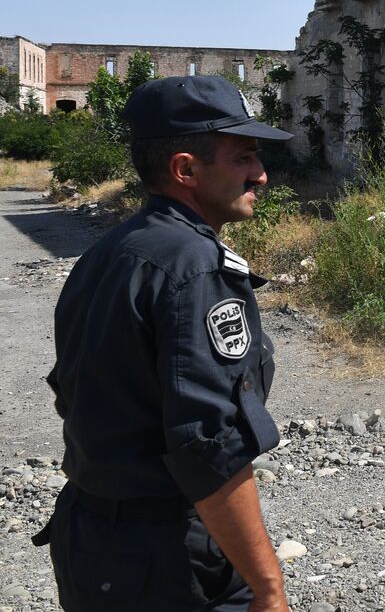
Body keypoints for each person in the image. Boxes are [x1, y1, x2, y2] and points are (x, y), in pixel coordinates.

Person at [34, 75, 295, 611]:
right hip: (168, 564)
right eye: (244, 157)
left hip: (92, 544)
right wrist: (269, 587)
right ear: (185, 169)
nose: (262, 175)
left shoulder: (111, 252)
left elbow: (77, 394)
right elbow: (210, 447)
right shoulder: (195, 270)